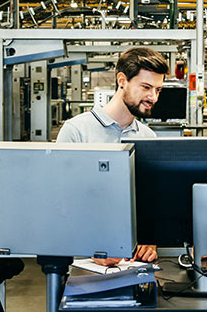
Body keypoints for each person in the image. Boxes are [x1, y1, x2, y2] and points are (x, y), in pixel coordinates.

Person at [56, 47, 169, 264]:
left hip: (133, 261)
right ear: (122, 80)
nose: (153, 97)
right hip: (84, 263)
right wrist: (94, 247)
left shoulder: (148, 137)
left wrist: (149, 240)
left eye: (158, 90)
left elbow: (151, 201)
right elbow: (61, 204)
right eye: (146, 87)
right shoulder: (77, 131)